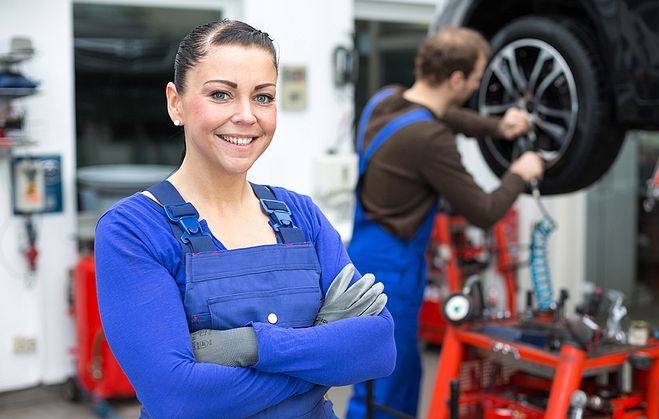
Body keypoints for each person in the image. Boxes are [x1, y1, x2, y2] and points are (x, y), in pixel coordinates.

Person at [94, 19, 395, 419]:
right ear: (175, 103)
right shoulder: (133, 230)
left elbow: (379, 347)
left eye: (263, 97)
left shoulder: (302, 216)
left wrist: (250, 347)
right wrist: (323, 358)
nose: (246, 115)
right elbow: (179, 399)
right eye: (221, 94)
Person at [345, 26, 545, 418]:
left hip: (363, 254)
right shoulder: (430, 139)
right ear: (456, 79)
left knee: (377, 372)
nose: (474, 86)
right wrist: (520, 173)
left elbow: (446, 115)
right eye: (473, 78)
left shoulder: (384, 100)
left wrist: (497, 126)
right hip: (394, 270)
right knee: (388, 380)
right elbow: (484, 210)